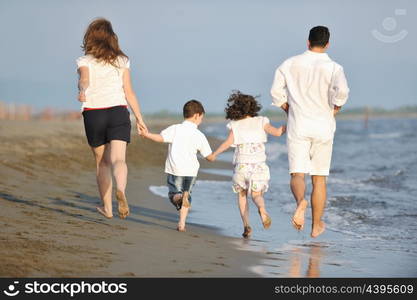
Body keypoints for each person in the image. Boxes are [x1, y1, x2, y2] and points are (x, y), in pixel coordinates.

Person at [270, 26, 349, 237]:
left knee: (297, 173)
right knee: (319, 178)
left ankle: (300, 202)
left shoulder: (289, 64)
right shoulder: (334, 67)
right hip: (324, 125)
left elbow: (276, 92)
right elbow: (342, 91)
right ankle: (316, 225)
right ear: (328, 44)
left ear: (308, 42)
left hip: (298, 124)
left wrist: (288, 108)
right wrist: (336, 108)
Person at [76, 18, 148, 219]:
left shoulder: (85, 61)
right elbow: (129, 92)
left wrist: (82, 91)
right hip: (118, 111)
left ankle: (107, 208)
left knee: (102, 162)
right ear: (112, 38)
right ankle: (121, 191)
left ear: (90, 37)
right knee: (118, 159)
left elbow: (84, 80)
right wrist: (139, 118)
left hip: (94, 113)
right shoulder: (122, 61)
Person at [207, 91, 286, 238]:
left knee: (242, 195)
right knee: (256, 195)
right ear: (254, 108)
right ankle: (262, 209)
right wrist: (290, 125)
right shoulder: (262, 121)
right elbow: (276, 132)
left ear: (236, 108)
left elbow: (227, 143)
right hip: (258, 166)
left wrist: (214, 154)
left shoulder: (235, 125)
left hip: (241, 167)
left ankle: (246, 225)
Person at [140, 100, 212, 232]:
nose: (201, 120)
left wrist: (146, 134)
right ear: (196, 115)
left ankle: (179, 197)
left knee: (174, 194)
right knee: (187, 195)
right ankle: (182, 223)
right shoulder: (199, 135)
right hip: (191, 172)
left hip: (175, 169)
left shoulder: (175, 129)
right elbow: (208, 156)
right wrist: (216, 154)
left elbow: (160, 138)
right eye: (201, 118)